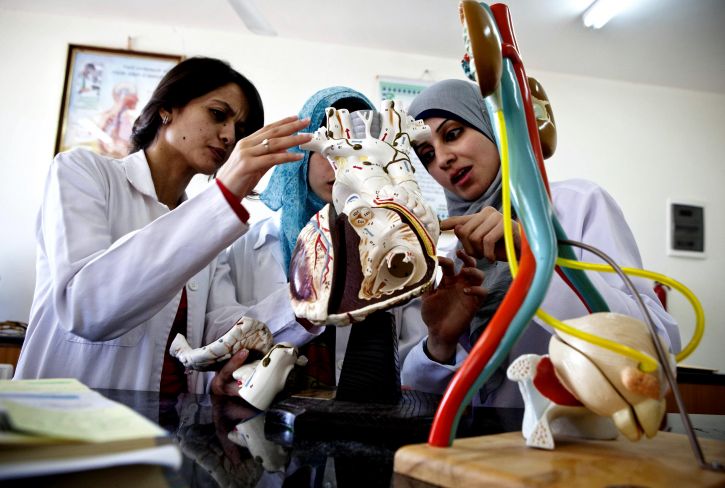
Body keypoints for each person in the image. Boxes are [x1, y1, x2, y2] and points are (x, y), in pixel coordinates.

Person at [14, 57, 317, 396]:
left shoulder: (207, 221)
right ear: (167, 109)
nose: (230, 136)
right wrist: (223, 198)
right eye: (218, 114)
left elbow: (216, 333)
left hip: (165, 425)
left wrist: (312, 299)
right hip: (61, 423)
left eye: (241, 130)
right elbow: (85, 307)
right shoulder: (81, 172)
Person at [400, 79, 681, 407]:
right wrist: (440, 343)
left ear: (491, 124)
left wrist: (535, 254)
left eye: (452, 134)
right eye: (427, 154)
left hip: (580, 442)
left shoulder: (576, 205)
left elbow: (659, 342)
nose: (443, 159)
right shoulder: (448, 255)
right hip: (479, 449)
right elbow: (424, 396)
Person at [227, 86, 428, 386]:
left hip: (364, 421)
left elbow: (413, 359)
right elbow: (224, 339)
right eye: (329, 144)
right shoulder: (247, 247)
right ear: (302, 151)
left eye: (357, 144)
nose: (340, 160)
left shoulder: (398, 241)